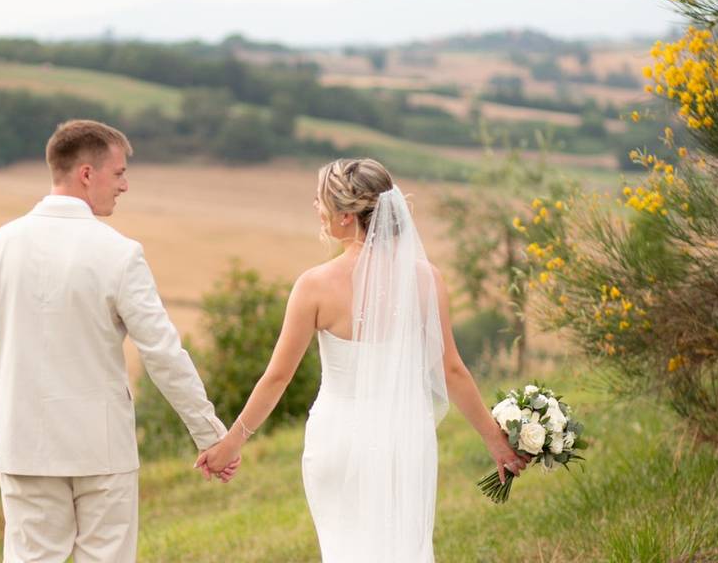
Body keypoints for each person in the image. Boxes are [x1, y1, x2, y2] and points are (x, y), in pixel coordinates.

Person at [197, 158, 528, 561]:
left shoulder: (314, 286)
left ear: (347, 217)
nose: (316, 210)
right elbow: (452, 370)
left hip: (338, 440)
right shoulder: (426, 280)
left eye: (323, 203)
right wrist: (497, 442)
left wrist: (232, 442)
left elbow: (278, 377)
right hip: (406, 440)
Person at [0, 119, 237, 563]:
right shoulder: (119, 253)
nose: (126, 185)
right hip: (101, 450)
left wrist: (3, 439)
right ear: (86, 174)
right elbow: (163, 353)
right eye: (119, 173)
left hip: (24, 448)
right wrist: (209, 433)